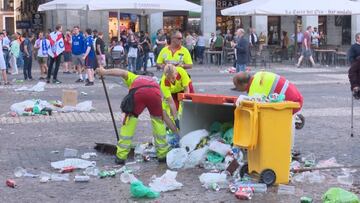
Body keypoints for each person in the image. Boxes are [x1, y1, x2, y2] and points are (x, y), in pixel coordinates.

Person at [96, 66, 177, 164]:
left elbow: (120, 72)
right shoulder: (156, 83)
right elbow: (165, 113)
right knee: (158, 122)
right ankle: (163, 155)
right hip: (154, 94)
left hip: (138, 93)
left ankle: (121, 156)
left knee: (129, 121)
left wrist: (104, 72)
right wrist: (176, 131)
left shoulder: (134, 77)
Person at [232, 71, 303, 148]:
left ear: (243, 84)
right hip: (296, 94)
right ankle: (296, 118)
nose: (237, 89)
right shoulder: (258, 74)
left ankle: (288, 147)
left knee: (276, 123)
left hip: (293, 103)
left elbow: (257, 114)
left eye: (237, 87)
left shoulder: (255, 91)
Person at [348, 33, 360, 98]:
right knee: (353, 73)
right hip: (357, 65)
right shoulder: (354, 47)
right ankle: (356, 88)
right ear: (357, 39)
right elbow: (351, 58)